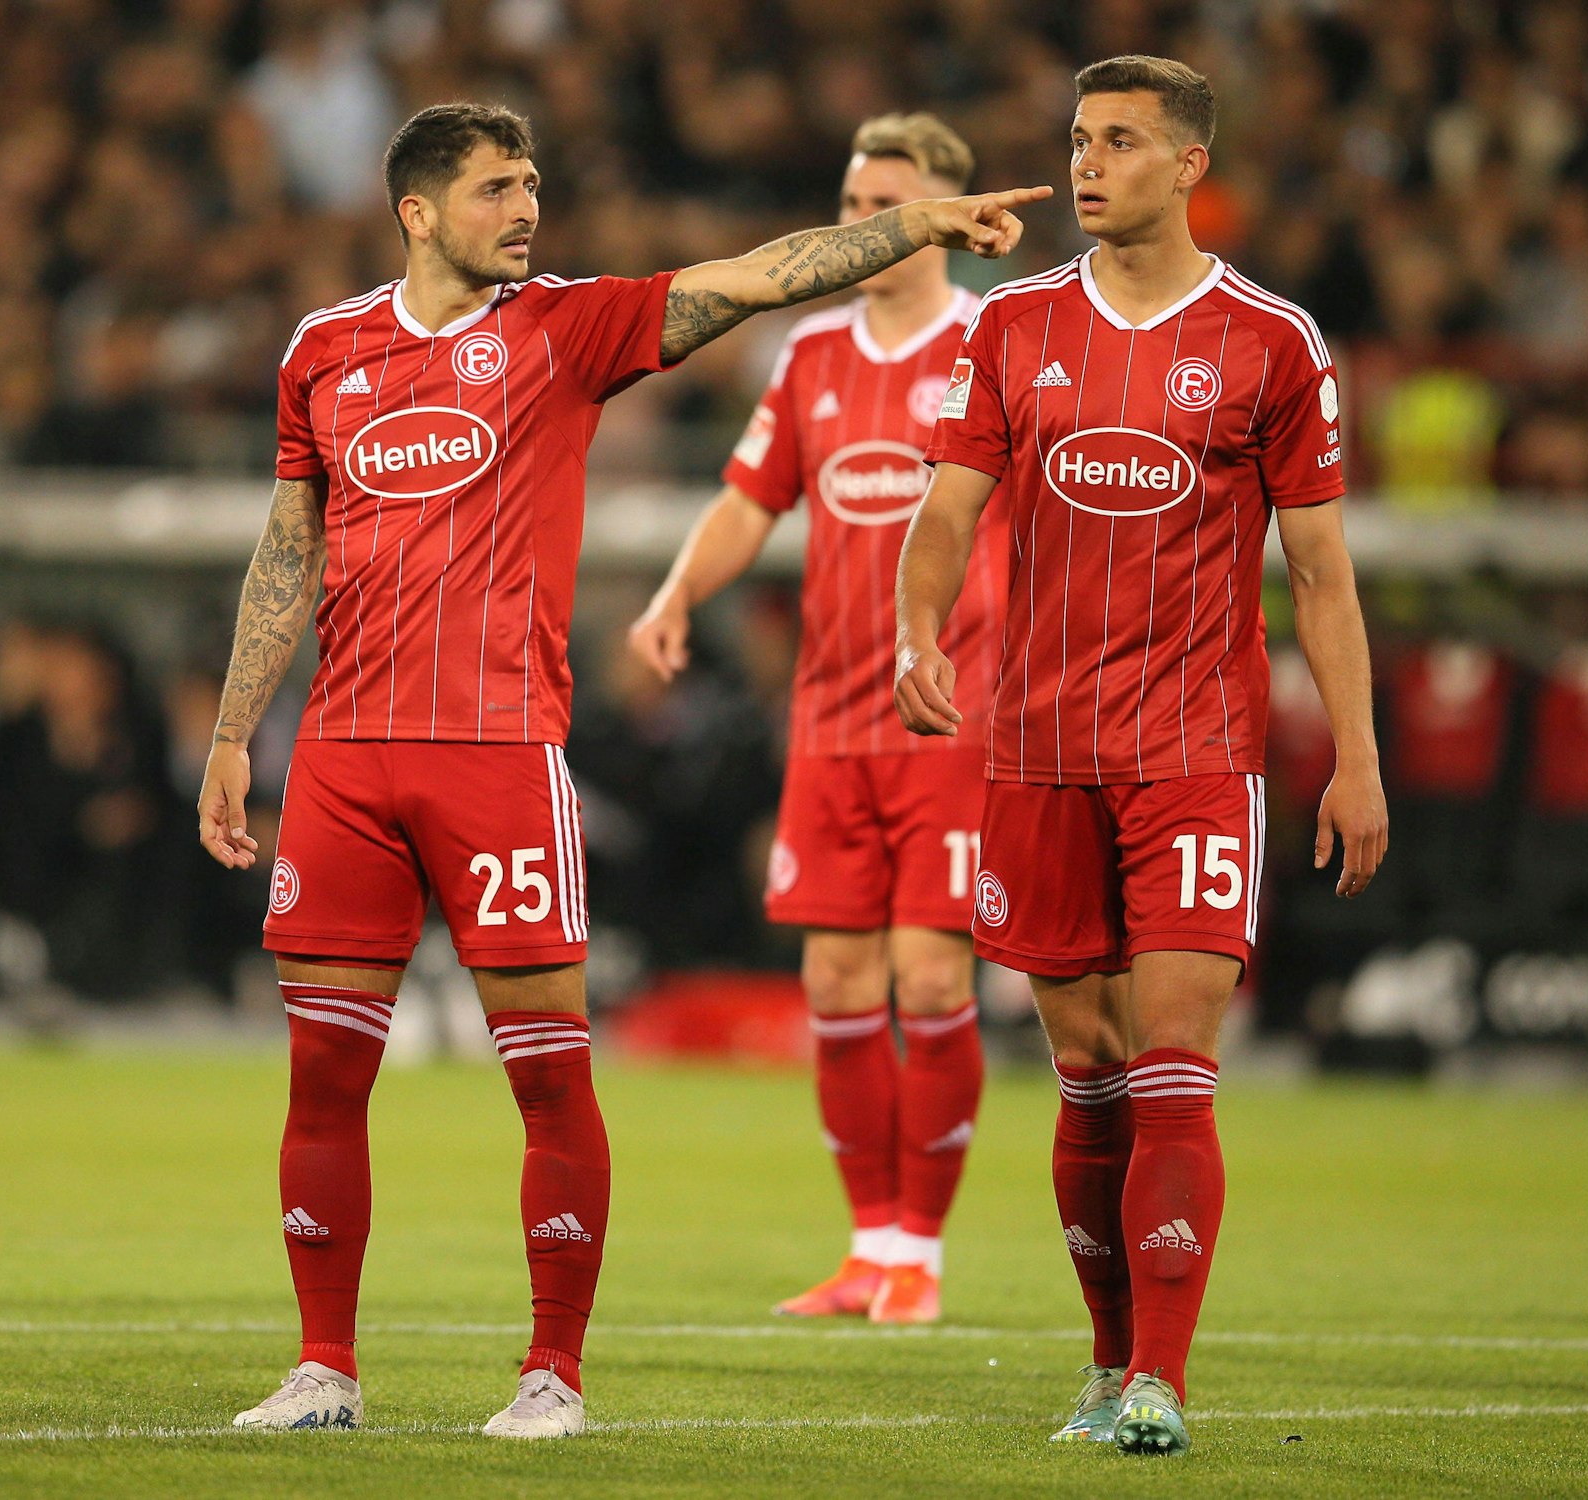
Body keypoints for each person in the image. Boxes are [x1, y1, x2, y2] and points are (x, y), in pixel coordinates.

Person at [195, 100, 1046, 1438]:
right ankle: (324, 1369)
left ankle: (554, 1374)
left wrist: (916, 224)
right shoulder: (324, 350)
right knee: (323, 1073)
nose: (527, 209)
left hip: (499, 756)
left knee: (547, 1070)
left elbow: (757, 275)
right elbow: (287, 545)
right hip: (346, 757)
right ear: (418, 211)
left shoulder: (563, 328)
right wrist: (240, 731)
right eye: (495, 189)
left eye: (532, 184)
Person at [894, 56, 1387, 1456]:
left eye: (1119, 141)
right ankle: (1109, 1369)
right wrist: (915, 625)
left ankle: (1163, 1378)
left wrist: (1357, 756)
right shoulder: (1012, 325)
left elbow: (1324, 572)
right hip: (1038, 746)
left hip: (1196, 748)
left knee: (1174, 1060)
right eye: (1078, 139)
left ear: (1188, 166)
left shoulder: (1271, 342)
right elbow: (947, 510)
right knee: (1090, 1073)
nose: (1088, 163)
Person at [630, 114, 1008, 1326]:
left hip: (953, 715)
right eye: (848, 202)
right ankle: (869, 1245)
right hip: (831, 722)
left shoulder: (993, 343)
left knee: (924, 969)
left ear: (943, 211)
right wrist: (678, 593)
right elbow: (751, 499)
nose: (859, 223)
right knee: (836, 978)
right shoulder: (807, 354)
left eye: (884, 201)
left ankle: (924, 1260)